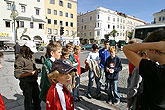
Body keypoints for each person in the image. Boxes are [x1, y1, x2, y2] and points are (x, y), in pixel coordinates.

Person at [123, 30, 165, 110]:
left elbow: (126, 49)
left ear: (153, 50)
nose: (145, 52)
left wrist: (159, 45)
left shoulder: (154, 70)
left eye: (147, 50)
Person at [14, 40, 41, 110]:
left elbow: (32, 67)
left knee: (37, 98)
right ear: (27, 49)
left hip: (33, 81)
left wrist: (36, 70)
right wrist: (30, 74)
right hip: (26, 83)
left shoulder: (31, 57)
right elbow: (17, 74)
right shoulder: (20, 59)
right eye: (31, 51)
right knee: (29, 101)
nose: (32, 53)